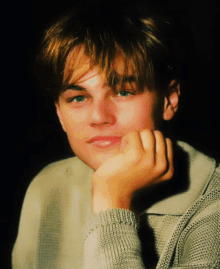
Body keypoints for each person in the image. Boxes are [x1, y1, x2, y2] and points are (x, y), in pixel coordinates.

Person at [12, 2, 220, 268]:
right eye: (77, 98)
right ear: (60, 114)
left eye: (123, 92)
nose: (99, 116)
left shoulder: (212, 202)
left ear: (169, 100)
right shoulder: (46, 187)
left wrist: (112, 202)